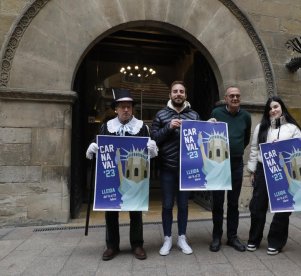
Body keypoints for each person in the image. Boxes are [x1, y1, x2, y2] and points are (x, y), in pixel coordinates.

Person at [86, 88, 158, 261]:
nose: (126, 110)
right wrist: (92, 147)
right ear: (116, 109)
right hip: (112, 176)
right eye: (122, 106)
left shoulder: (142, 128)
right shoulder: (106, 126)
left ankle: (137, 244)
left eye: (129, 106)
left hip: (136, 177)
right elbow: (98, 145)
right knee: (111, 211)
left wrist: (153, 149)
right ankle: (112, 245)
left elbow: (151, 153)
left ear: (132, 109)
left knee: (136, 210)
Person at [246, 96, 301, 255]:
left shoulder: (292, 128)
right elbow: (254, 150)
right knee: (257, 206)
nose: (273, 110)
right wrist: (252, 171)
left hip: (284, 171)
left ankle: (275, 241)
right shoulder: (261, 127)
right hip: (263, 169)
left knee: (282, 208)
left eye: (276, 107)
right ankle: (253, 239)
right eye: (270, 108)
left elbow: (299, 149)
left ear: (282, 108)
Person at [151, 81, 200, 256]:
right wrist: (169, 126)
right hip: (167, 167)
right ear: (170, 94)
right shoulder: (161, 114)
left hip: (187, 169)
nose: (178, 94)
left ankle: (181, 238)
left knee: (184, 205)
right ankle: (167, 239)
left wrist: (210, 125)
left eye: (181, 91)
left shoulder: (194, 115)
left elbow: (201, 139)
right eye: (175, 91)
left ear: (185, 95)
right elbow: (154, 139)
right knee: (166, 205)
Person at [209, 86, 251, 252]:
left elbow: (246, 139)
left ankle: (232, 237)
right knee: (218, 202)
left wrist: (236, 149)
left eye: (238, 96)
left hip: (236, 164)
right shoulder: (217, 113)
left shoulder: (246, 116)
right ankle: (216, 236)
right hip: (218, 164)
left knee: (233, 203)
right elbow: (208, 134)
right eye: (232, 96)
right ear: (225, 98)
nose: (235, 98)